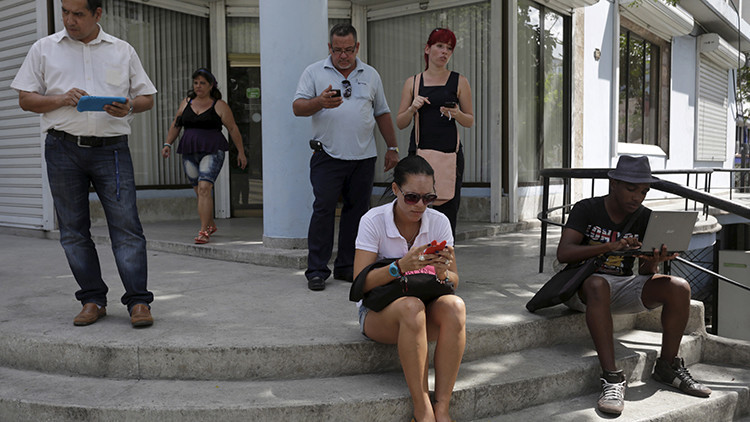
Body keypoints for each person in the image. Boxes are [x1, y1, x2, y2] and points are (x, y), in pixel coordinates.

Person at [11, 0, 156, 327]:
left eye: (78, 14)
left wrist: (130, 105)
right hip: (63, 149)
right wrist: (61, 99)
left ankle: (138, 302)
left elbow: (146, 97)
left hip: (113, 150)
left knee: (127, 227)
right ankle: (92, 299)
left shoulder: (122, 50)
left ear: (97, 14)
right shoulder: (44, 49)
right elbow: (25, 98)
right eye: (65, 11)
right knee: (74, 230)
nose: (69, 20)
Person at [556, 155, 712, 415]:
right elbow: (564, 253)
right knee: (597, 284)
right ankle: (612, 378)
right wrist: (609, 246)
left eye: (643, 191)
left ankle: (667, 366)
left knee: (680, 287)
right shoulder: (587, 209)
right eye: (631, 189)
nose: (637, 197)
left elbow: (643, 272)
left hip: (622, 286)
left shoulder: (646, 218)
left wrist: (655, 261)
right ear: (613, 183)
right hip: (583, 289)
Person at [354, 155, 465, 422]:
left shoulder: (438, 222)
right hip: (380, 315)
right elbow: (359, 284)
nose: (420, 206)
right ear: (395, 190)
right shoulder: (373, 220)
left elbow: (455, 280)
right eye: (412, 197)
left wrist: (442, 273)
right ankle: (422, 408)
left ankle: (442, 406)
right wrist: (399, 267)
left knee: (455, 306)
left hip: (425, 312)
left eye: (428, 198)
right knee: (411, 306)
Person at [293, 23, 399, 291]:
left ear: (357, 48)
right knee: (323, 211)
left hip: (363, 158)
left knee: (357, 214)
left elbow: (382, 113)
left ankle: (347, 266)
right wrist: (319, 102)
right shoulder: (314, 71)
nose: (343, 55)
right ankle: (317, 270)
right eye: (338, 50)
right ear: (330, 48)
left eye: (348, 50)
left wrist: (392, 147)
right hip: (327, 156)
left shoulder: (371, 75)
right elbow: (298, 107)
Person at [396, 27, 474, 236]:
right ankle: (414, 259)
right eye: (439, 46)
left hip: (450, 155)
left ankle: (444, 262)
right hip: (419, 154)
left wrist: (456, 113)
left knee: (447, 213)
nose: (444, 52)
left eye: (449, 48)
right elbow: (400, 122)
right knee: (414, 209)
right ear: (427, 49)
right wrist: (413, 107)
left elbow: (469, 120)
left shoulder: (459, 81)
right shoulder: (413, 82)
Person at [162, 68, 248, 244]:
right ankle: (210, 224)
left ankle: (203, 231)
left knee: (204, 188)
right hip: (189, 150)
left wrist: (240, 151)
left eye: (202, 83)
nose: (198, 86)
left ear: (210, 86)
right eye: (196, 83)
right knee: (198, 190)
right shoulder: (186, 102)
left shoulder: (219, 105)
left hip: (212, 149)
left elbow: (232, 128)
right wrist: (167, 143)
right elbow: (176, 124)